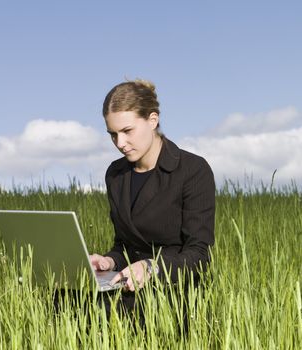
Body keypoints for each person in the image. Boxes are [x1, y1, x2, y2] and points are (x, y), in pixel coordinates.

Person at [89, 79, 215, 303]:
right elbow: (125, 245)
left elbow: (200, 255)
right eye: (113, 134)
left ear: (152, 120)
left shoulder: (193, 169)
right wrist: (108, 261)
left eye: (127, 131)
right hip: (130, 283)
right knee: (67, 297)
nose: (120, 142)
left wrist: (151, 267)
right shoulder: (116, 174)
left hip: (173, 288)